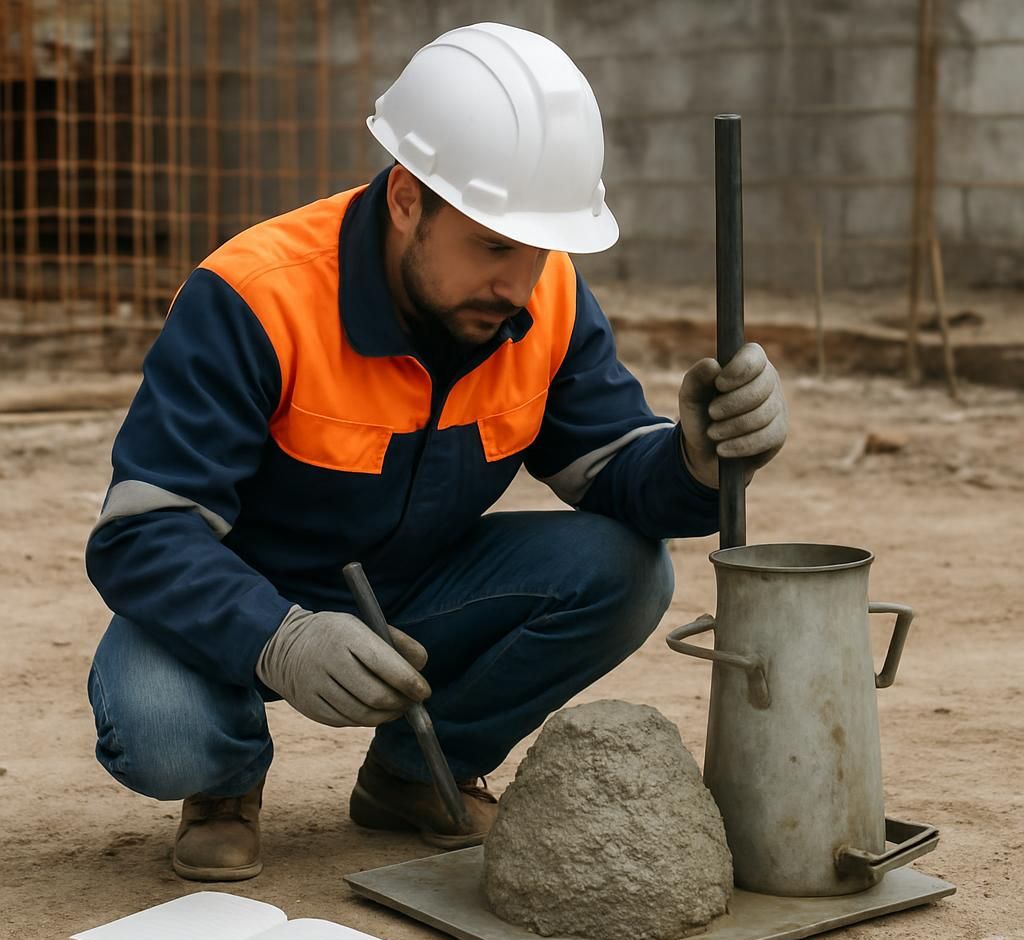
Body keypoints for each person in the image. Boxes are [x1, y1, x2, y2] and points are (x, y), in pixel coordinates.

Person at [84, 23, 787, 881]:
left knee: (627, 568)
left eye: (539, 249)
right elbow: (141, 535)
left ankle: (419, 772)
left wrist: (696, 461)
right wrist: (282, 640)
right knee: (161, 729)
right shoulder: (255, 297)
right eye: (493, 245)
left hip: (418, 589)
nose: (519, 284)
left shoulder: (543, 297)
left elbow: (613, 474)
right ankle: (225, 786)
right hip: (239, 599)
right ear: (408, 198)